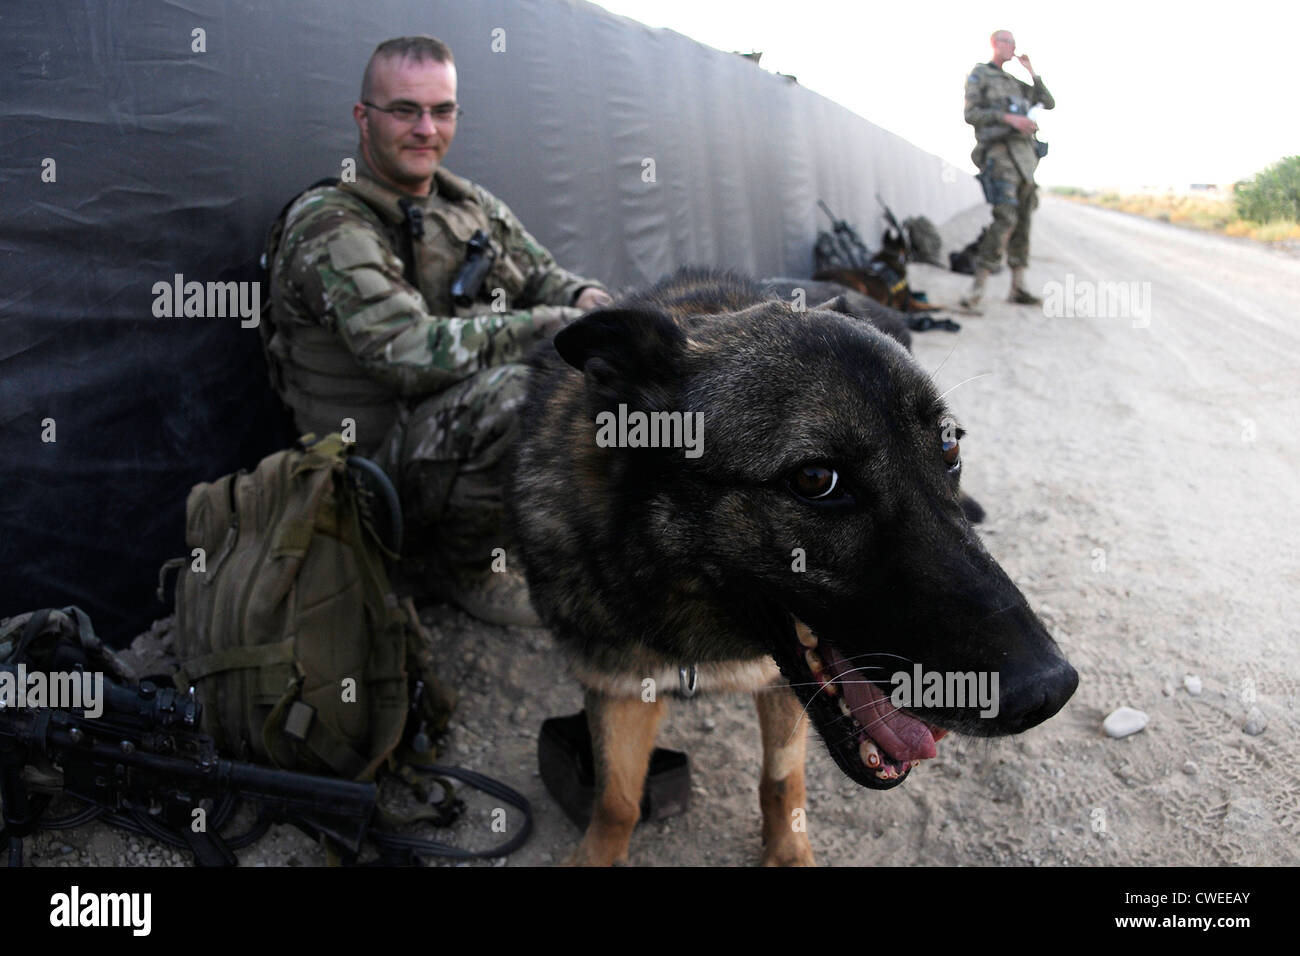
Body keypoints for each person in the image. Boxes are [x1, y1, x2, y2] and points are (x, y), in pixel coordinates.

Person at [263, 35, 612, 626]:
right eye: (405, 109)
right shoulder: (329, 225)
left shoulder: (464, 203)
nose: (426, 128)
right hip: (364, 473)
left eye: (441, 110)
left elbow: (543, 275)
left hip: (437, 434)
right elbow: (406, 353)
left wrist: (587, 301)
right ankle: (457, 568)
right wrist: (557, 326)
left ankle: (521, 544)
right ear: (363, 117)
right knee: (524, 392)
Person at [959, 30, 1055, 313]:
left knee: (1023, 220)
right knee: (1005, 218)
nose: (1010, 46)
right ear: (994, 44)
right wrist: (1008, 118)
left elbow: (1048, 102)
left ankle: (1018, 287)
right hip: (999, 155)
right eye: (1005, 41)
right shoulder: (980, 75)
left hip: (1025, 159)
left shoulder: (1016, 82)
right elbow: (970, 114)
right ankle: (977, 288)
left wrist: (1032, 72)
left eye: (1013, 42)